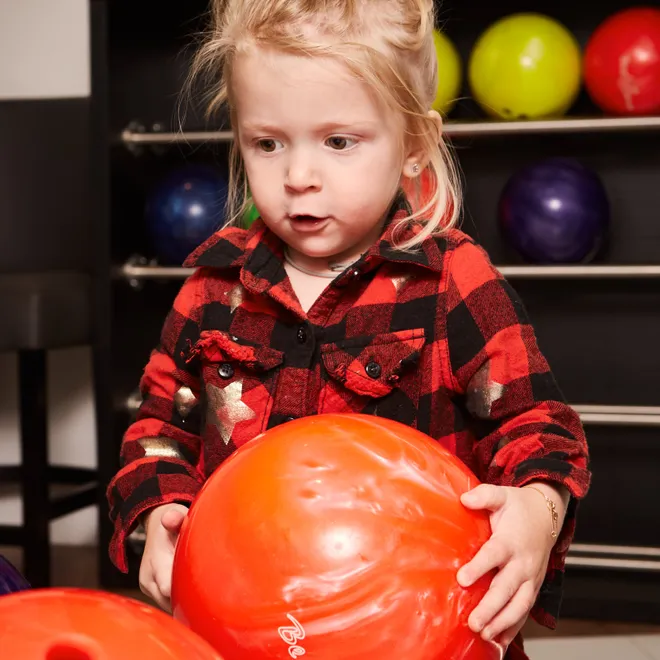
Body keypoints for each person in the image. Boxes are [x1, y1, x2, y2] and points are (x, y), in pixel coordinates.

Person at [106, 0, 591, 656]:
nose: (299, 178)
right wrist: (158, 512)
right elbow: (160, 429)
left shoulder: (455, 280)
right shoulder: (211, 289)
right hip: (245, 623)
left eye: (338, 141)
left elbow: (538, 428)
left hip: (418, 632)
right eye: (267, 142)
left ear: (415, 143)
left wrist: (537, 510)